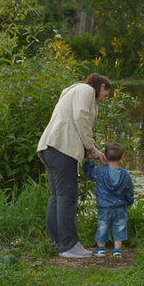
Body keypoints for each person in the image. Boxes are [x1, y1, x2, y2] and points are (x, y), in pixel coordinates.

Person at [37, 73, 111, 258]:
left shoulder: (72, 90)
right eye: (105, 94)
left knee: (57, 196)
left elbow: (74, 124)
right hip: (63, 149)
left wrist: (95, 152)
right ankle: (69, 246)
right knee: (68, 196)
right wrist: (90, 147)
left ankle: (56, 241)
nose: (103, 99)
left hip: (49, 147)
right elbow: (80, 119)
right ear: (101, 86)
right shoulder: (86, 90)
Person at [84, 141, 135, 257]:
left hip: (104, 207)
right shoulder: (125, 175)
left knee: (102, 226)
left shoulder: (101, 171)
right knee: (119, 227)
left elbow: (90, 173)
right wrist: (130, 201)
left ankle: (101, 248)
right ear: (122, 157)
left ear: (105, 156)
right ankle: (117, 250)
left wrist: (90, 160)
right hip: (120, 208)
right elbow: (129, 190)